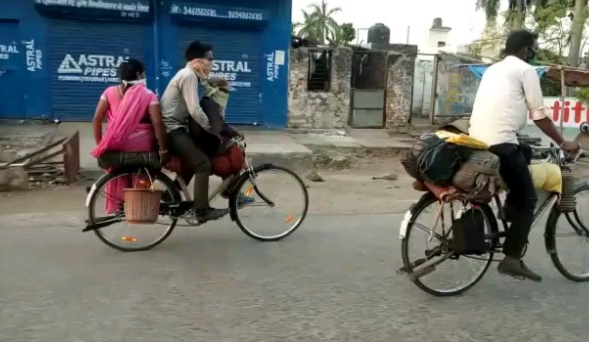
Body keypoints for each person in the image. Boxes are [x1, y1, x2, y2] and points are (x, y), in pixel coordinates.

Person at [469, 29, 580, 282]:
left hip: (479, 141)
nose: (533, 56)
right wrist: (563, 142)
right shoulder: (525, 70)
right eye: (533, 51)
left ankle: (509, 209)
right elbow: (538, 115)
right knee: (529, 198)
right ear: (526, 51)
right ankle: (511, 259)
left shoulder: (493, 69)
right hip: (501, 143)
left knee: (526, 151)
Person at [159, 41, 229, 223]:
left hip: (176, 128)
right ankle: (201, 210)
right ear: (198, 61)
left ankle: (170, 194)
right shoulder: (188, 76)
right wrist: (212, 130)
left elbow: (197, 104)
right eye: (210, 59)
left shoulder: (188, 75)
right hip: (173, 130)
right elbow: (194, 110)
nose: (211, 64)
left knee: (197, 155)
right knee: (202, 164)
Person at [91, 58, 169, 214]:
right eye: (144, 74)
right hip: (141, 145)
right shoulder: (148, 95)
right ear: (139, 75)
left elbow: (97, 119)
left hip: (115, 143)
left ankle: (120, 205)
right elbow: (158, 123)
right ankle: (139, 200)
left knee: (119, 170)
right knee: (151, 167)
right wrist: (163, 149)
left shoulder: (109, 92)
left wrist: (101, 144)